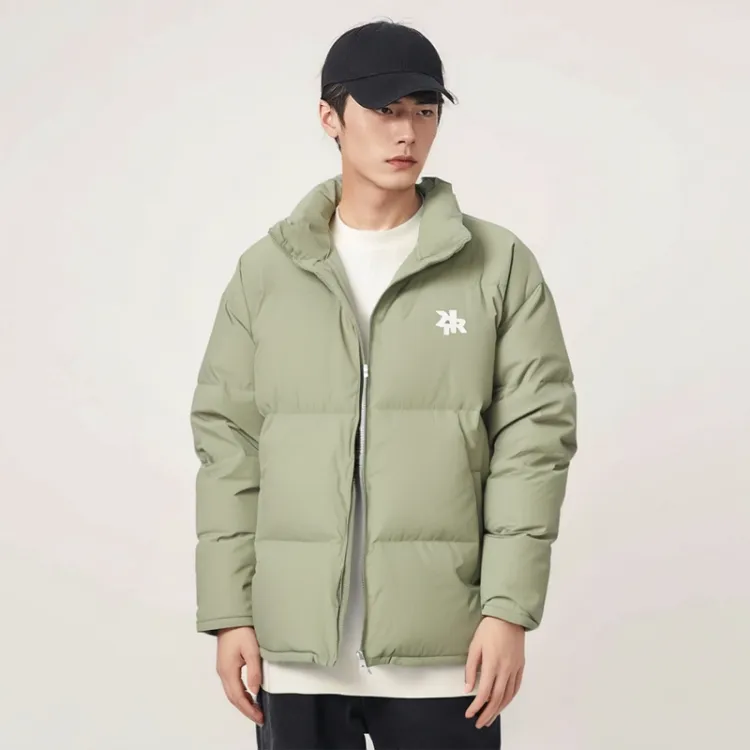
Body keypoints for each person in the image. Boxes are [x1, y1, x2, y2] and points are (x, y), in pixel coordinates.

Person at [189, 19, 577, 750]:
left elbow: (535, 443)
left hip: (447, 653)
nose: (408, 133)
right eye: (385, 110)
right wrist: (230, 613)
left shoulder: (496, 264)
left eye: (425, 110)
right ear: (330, 118)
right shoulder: (267, 273)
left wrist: (508, 609)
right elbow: (230, 446)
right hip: (296, 653)